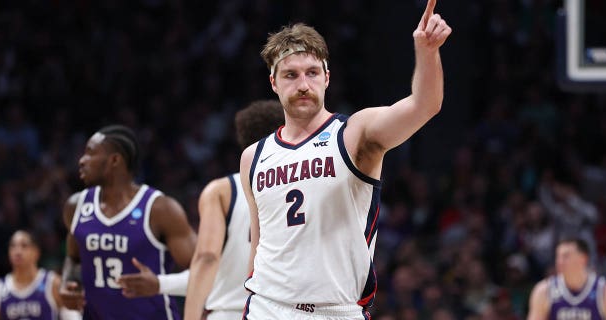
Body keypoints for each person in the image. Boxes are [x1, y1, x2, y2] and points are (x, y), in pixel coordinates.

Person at [239, 0, 451, 318]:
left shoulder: (354, 133)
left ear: (327, 77)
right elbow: (258, 241)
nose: (303, 84)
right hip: (266, 307)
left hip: (336, 310)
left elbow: (424, 105)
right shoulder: (253, 156)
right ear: (274, 83)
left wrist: (428, 51)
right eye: (291, 75)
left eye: (312, 73)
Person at [114, 100, 285, 320]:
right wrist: (160, 283)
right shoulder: (308, 187)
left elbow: (207, 260)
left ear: (242, 140)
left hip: (229, 313)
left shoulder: (223, 191)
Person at [59, 125, 196, 320]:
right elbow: (73, 258)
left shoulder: (159, 209)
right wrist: (68, 282)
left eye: (90, 153)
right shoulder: (76, 206)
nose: (81, 161)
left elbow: (204, 269)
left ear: (114, 160)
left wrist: (159, 283)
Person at [0, 230, 79, 320]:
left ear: (36, 252)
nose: (18, 251)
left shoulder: (53, 283)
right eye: (13, 246)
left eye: (24, 246)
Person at [527, 238, 606, 320]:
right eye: (558, 256)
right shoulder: (544, 291)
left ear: (584, 258)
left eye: (566, 256)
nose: (560, 261)